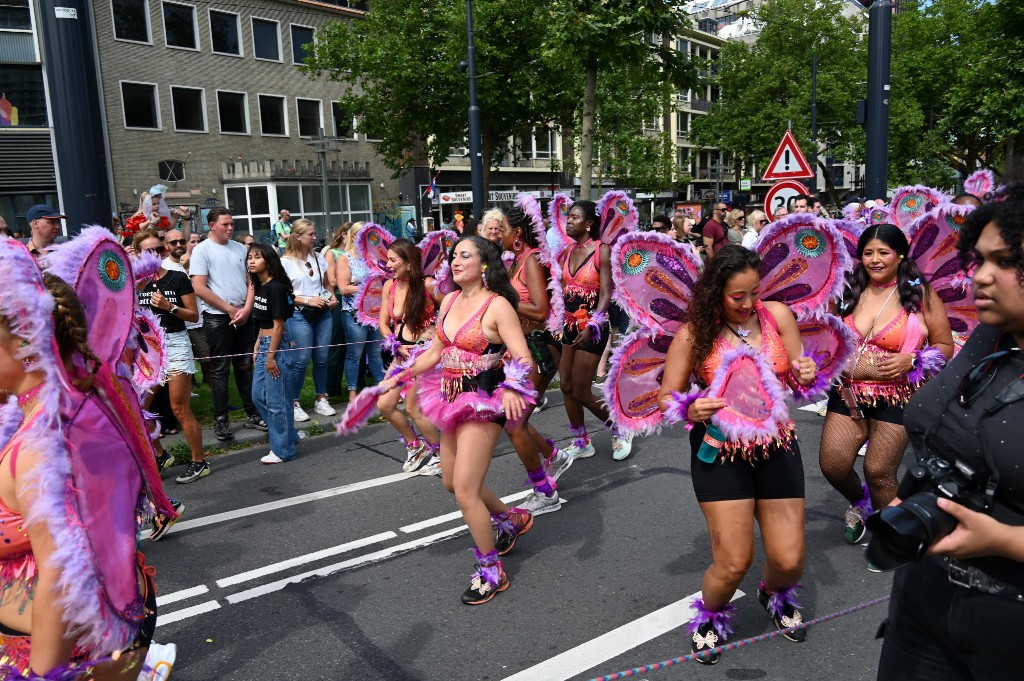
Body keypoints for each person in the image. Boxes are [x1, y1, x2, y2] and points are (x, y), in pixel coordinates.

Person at [0, 239, 173, 678]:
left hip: (70, 651)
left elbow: (59, 577)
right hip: (99, 628)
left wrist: (44, 676)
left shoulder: (44, 447)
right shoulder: (64, 408)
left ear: (24, 342)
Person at [875, 184, 1024, 681]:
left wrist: (1003, 540)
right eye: (978, 259)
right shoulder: (991, 335)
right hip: (924, 600)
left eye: (1003, 261)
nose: (980, 277)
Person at [657, 245, 820, 664]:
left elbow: (798, 377)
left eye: (755, 293)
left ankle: (772, 592)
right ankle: (709, 616)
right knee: (733, 563)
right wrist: (689, 408)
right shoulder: (695, 333)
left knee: (790, 561)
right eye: (737, 297)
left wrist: (806, 372)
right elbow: (666, 395)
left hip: (776, 444)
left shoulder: (778, 316)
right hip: (720, 451)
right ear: (716, 293)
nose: (749, 304)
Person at [377, 235, 537, 605]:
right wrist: (403, 374)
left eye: (465, 255)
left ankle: (491, 570)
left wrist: (513, 387)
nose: (455, 260)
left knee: (465, 489)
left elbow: (523, 357)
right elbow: (435, 351)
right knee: (451, 482)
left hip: (484, 401)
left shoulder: (497, 307)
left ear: (484, 264)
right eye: (453, 255)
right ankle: (510, 520)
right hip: (450, 397)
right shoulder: (448, 301)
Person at [819, 224, 953, 554]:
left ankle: (893, 533)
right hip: (848, 392)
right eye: (868, 253)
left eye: (883, 252)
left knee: (879, 471)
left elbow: (945, 345)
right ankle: (861, 504)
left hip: (898, 395)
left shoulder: (920, 293)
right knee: (833, 465)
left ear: (900, 255)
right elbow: (824, 337)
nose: (875, 260)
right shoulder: (846, 290)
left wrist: (913, 359)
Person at [500, 203, 569, 514]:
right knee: (516, 421)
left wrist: (503, 299)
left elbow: (541, 311)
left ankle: (545, 491)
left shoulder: (531, 261)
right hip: (521, 349)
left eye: (501, 228)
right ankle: (556, 456)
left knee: (514, 424)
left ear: (517, 232)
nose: (496, 234)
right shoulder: (516, 261)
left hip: (539, 349)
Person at [557, 200, 634, 461]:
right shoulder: (566, 251)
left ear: (589, 224)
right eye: (568, 217)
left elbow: (605, 293)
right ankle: (581, 441)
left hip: (593, 328)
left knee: (581, 391)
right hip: (568, 326)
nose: (569, 221)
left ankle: (620, 427)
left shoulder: (602, 251)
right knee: (566, 386)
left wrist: (593, 324)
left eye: (575, 217)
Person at [132, 230, 210, 487]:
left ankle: (199, 461)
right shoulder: (135, 283)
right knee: (139, 409)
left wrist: (169, 307)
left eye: (158, 250)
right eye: (147, 251)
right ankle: (161, 454)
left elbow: (193, 316)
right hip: (148, 350)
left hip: (175, 345)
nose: (154, 255)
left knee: (179, 408)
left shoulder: (177, 278)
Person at [190, 207, 265, 441]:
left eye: (232, 224)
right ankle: (221, 418)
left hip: (243, 314)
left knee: (245, 365)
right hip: (218, 317)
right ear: (212, 225)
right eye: (225, 224)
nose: (230, 228)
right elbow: (199, 287)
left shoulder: (241, 249)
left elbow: (251, 280)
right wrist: (230, 309)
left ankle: (252, 412)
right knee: (220, 370)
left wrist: (247, 308)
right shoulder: (202, 250)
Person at [377, 238, 443, 474]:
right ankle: (416, 446)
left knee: (415, 408)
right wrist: (394, 344)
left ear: (410, 264)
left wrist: (436, 336)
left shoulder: (429, 285)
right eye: (388, 260)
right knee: (384, 403)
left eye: (394, 260)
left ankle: (439, 453)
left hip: (424, 355)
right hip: (401, 354)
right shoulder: (390, 286)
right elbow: (383, 323)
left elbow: (453, 307)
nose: (389, 264)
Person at [280, 218, 338, 422]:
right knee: (301, 359)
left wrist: (331, 297)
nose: (315, 237)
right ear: (297, 237)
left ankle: (321, 398)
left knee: (322, 357)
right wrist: (307, 300)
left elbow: (326, 284)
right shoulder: (284, 262)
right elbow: (283, 294)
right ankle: (294, 402)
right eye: (311, 234)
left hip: (322, 312)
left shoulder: (318, 258)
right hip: (298, 314)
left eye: (314, 234)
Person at [248, 243, 301, 465]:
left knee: (278, 401)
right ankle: (288, 435)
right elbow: (264, 321)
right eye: (249, 257)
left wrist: (270, 356)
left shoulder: (276, 288)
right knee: (258, 396)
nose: (251, 261)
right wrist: (258, 343)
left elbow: (279, 325)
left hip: (277, 346)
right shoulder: (260, 285)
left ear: (268, 261)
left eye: (257, 257)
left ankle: (283, 450)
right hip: (266, 343)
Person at [335, 222, 385, 404]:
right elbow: (344, 288)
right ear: (354, 236)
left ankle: (381, 388)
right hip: (354, 313)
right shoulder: (345, 258)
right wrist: (369, 288)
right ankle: (352, 393)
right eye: (364, 234)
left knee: (375, 352)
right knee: (354, 354)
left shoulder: (374, 257)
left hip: (376, 313)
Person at [164, 228, 210, 386]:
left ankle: (218, 401)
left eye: (182, 241)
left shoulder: (195, 262)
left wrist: (188, 268)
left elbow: (203, 288)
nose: (178, 245)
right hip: (175, 325)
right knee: (181, 367)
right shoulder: (163, 266)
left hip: (197, 322)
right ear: (166, 245)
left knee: (208, 361)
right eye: (173, 242)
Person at [324, 223, 352, 398]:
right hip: (338, 299)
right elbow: (332, 281)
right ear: (343, 234)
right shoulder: (332, 253)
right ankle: (332, 387)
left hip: (354, 300)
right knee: (336, 343)